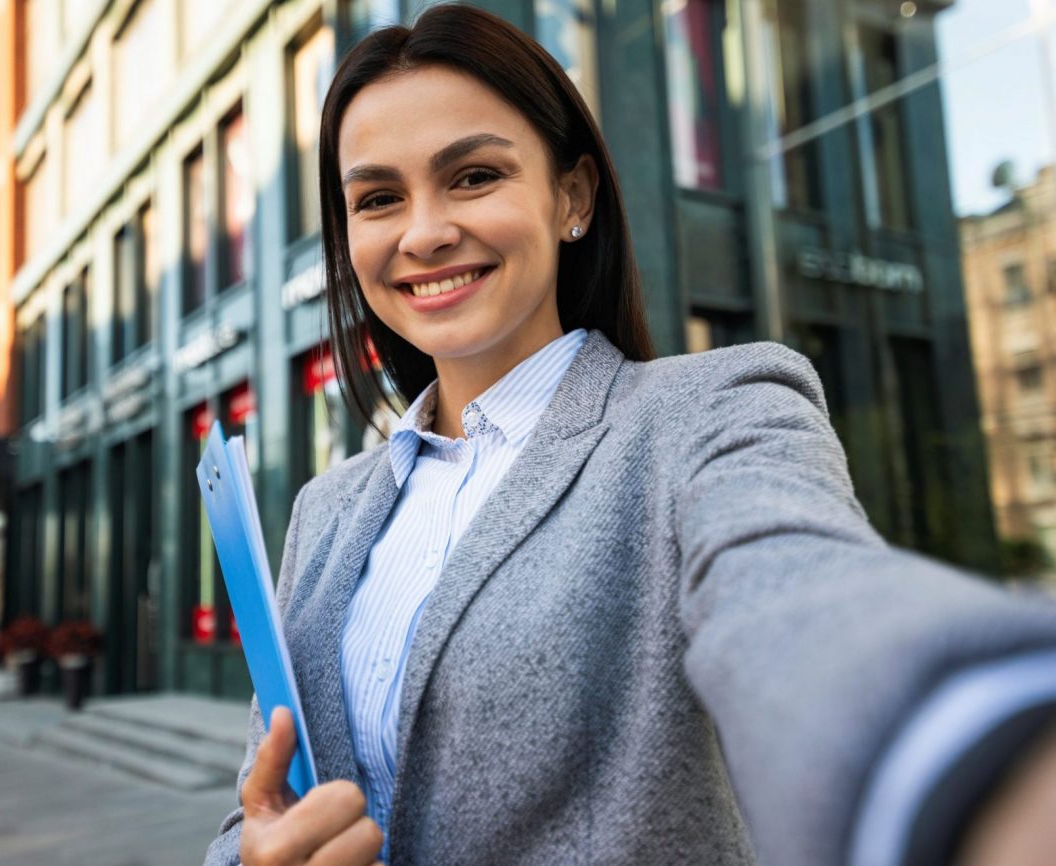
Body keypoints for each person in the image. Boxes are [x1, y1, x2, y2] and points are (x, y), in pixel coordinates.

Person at [204, 6, 1056, 865]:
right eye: (379, 198)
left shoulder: (714, 413)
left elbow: (800, 593)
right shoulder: (326, 511)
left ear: (571, 196)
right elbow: (258, 806)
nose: (424, 232)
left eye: (472, 177)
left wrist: (972, 736)